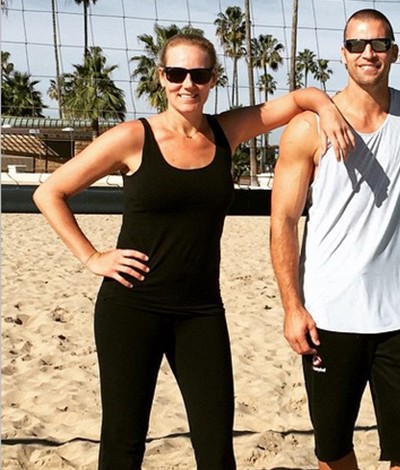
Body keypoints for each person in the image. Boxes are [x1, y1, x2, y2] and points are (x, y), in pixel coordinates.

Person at [33, 33, 354, 470]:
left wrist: (326, 106)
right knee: (124, 444)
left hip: (201, 312)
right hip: (131, 307)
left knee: (216, 446)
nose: (188, 83)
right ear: (161, 78)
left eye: (199, 74)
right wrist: (93, 257)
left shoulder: (227, 132)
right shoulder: (133, 136)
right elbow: (50, 193)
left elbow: (298, 98)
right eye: (177, 73)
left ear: (213, 79)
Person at [270, 9, 400, 470]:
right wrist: (292, 307)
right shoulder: (307, 127)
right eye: (357, 45)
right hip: (328, 317)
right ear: (343, 54)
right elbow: (283, 224)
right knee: (334, 454)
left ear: (394, 52)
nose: (367, 53)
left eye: (378, 44)